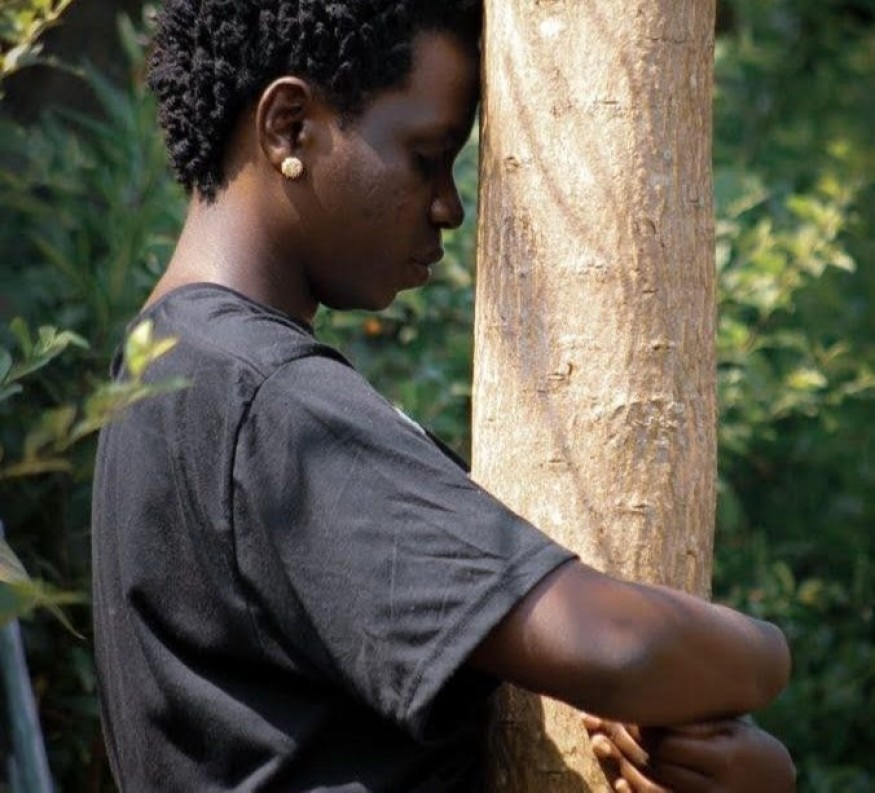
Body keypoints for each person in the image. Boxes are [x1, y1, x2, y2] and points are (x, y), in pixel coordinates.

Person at [90, 1, 795, 791]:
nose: (448, 208)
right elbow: (619, 646)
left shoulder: (169, 365)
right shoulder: (263, 396)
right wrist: (766, 652)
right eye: (426, 157)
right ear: (289, 127)